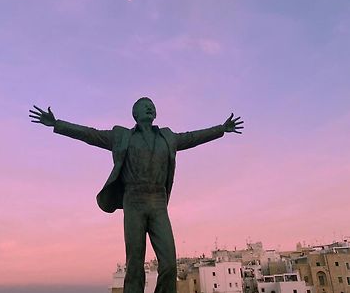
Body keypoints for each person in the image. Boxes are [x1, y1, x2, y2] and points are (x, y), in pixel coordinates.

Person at [29, 97, 243, 293]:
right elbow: (90, 134)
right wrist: (58, 124)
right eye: (144, 104)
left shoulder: (168, 137)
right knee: (135, 264)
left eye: (152, 105)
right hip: (133, 200)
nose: (150, 107)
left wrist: (221, 129)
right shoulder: (121, 136)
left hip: (158, 202)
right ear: (135, 113)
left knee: (169, 262)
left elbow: (194, 137)